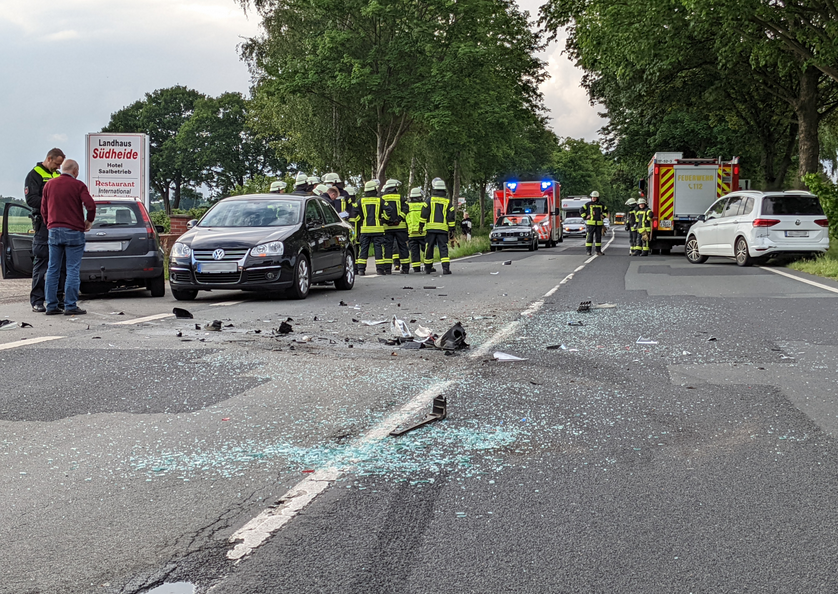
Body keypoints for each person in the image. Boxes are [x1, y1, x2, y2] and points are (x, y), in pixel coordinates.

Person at [40, 159, 96, 315]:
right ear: (75, 171)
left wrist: (49, 224)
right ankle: (70, 305)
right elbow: (90, 205)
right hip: (74, 232)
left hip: (54, 230)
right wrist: (88, 221)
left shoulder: (49, 185)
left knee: (52, 269)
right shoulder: (78, 185)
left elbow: (43, 209)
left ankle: (51, 305)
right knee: (72, 269)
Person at [24, 148, 65, 312]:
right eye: (56, 164)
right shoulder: (35, 174)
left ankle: (57, 299)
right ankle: (37, 300)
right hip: (43, 224)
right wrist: (52, 202)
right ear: (49, 159)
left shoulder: (57, 175)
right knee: (42, 261)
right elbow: (31, 199)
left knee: (60, 263)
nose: (58, 168)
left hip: (58, 223)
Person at [421, 177, 455, 275]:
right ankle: (445, 269)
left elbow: (424, 213)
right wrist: (451, 229)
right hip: (442, 229)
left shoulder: (429, 200)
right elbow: (451, 216)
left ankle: (428, 268)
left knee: (429, 247)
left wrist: (421, 225)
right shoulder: (447, 202)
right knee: (443, 248)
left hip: (430, 229)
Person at [357, 180, 387, 275]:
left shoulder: (360, 201)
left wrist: (362, 219)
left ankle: (361, 270)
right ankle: (380, 270)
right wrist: (383, 219)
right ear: (374, 189)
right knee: (378, 249)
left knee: (364, 249)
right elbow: (388, 211)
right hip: (378, 229)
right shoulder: (380, 200)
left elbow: (356, 214)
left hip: (365, 230)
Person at [381, 178, 409, 274]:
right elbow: (406, 208)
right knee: (402, 247)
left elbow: (380, 212)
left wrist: (386, 220)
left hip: (387, 227)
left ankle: (387, 269)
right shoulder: (400, 197)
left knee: (388, 248)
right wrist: (399, 219)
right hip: (400, 227)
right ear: (394, 188)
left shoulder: (382, 198)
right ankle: (405, 268)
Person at [406, 186, 428, 274]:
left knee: (414, 252)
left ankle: (416, 268)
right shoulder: (424, 205)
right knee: (426, 250)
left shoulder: (408, 206)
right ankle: (428, 266)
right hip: (423, 232)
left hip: (412, 233)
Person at [580, 190, 608, 256]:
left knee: (598, 238)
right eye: (592, 197)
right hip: (590, 224)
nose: (593, 198)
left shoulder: (601, 205)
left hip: (599, 224)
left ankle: (598, 251)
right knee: (589, 238)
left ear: (597, 198)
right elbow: (581, 210)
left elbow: (606, 211)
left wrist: (603, 215)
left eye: (594, 197)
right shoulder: (588, 204)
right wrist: (585, 216)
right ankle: (588, 251)